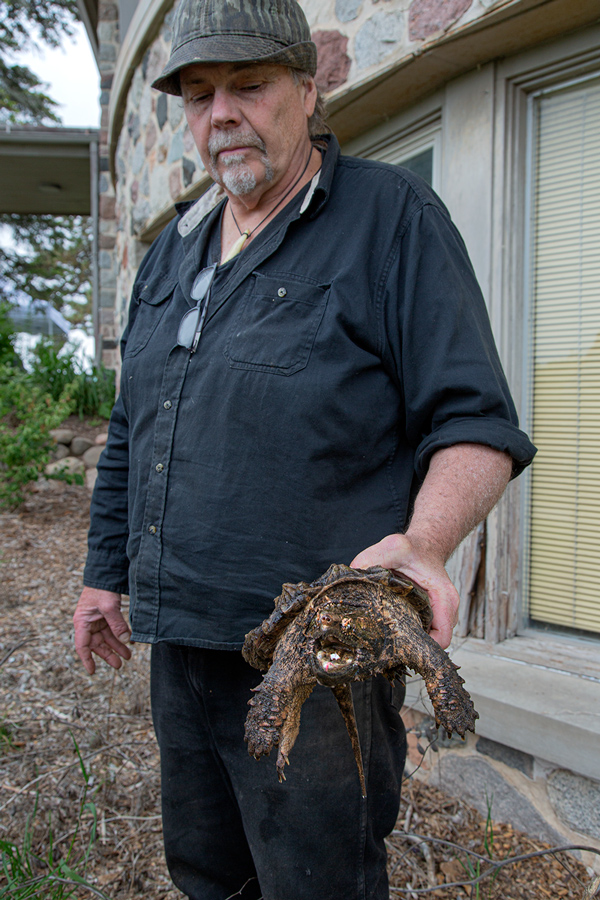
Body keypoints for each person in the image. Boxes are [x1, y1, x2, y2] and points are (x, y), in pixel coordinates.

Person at [73, 0, 536, 897]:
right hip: (182, 639)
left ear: (309, 85)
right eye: (200, 94)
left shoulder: (390, 218)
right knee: (207, 872)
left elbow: (476, 421)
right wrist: (105, 572)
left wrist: (426, 543)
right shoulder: (172, 250)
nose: (222, 114)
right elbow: (134, 424)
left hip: (320, 655)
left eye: (248, 85)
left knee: (317, 880)